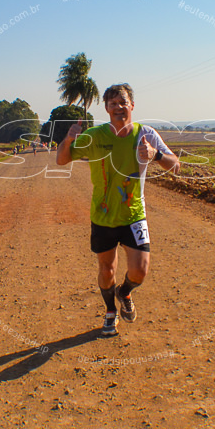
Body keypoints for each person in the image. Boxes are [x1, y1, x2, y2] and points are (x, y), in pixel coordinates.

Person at [56, 83, 180, 336]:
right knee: (107, 270)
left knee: (140, 270)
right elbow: (61, 159)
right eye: (113, 104)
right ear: (106, 108)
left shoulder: (146, 134)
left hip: (134, 214)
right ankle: (110, 311)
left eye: (123, 102)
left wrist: (155, 155)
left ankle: (124, 292)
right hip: (103, 216)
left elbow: (175, 166)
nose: (118, 108)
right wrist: (69, 138)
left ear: (132, 106)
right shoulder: (95, 136)